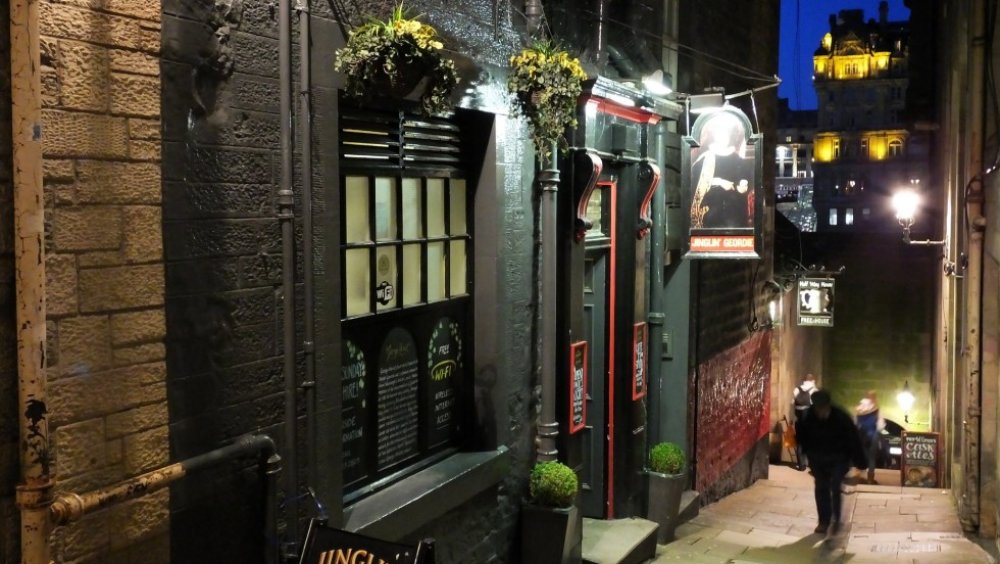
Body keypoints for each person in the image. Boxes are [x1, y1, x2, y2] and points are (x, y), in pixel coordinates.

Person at [795, 390, 868, 535]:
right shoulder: (808, 417)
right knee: (821, 487)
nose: (820, 412)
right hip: (818, 458)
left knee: (835, 486)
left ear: (828, 405)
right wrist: (807, 451)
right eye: (818, 408)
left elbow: (853, 438)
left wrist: (860, 461)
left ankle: (836, 519)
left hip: (839, 458)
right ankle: (823, 521)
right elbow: (802, 435)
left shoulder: (841, 417)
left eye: (823, 408)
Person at [689, 110, 753, 229]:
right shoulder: (705, 159)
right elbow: (694, 187)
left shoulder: (740, 162)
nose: (723, 136)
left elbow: (747, 183)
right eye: (719, 133)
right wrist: (718, 182)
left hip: (736, 222)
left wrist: (743, 187)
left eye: (725, 133)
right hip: (709, 220)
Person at [855, 390, 884, 484]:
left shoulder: (860, 407)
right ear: (874, 397)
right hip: (873, 436)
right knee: (872, 457)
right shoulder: (876, 409)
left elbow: (856, 423)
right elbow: (880, 425)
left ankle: (858, 477)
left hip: (861, 435)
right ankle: (870, 479)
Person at [791, 374, 817, 470]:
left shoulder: (796, 389)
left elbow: (792, 402)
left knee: (800, 441)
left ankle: (801, 465)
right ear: (813, 380)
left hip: (799, 419)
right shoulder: (814, 390)